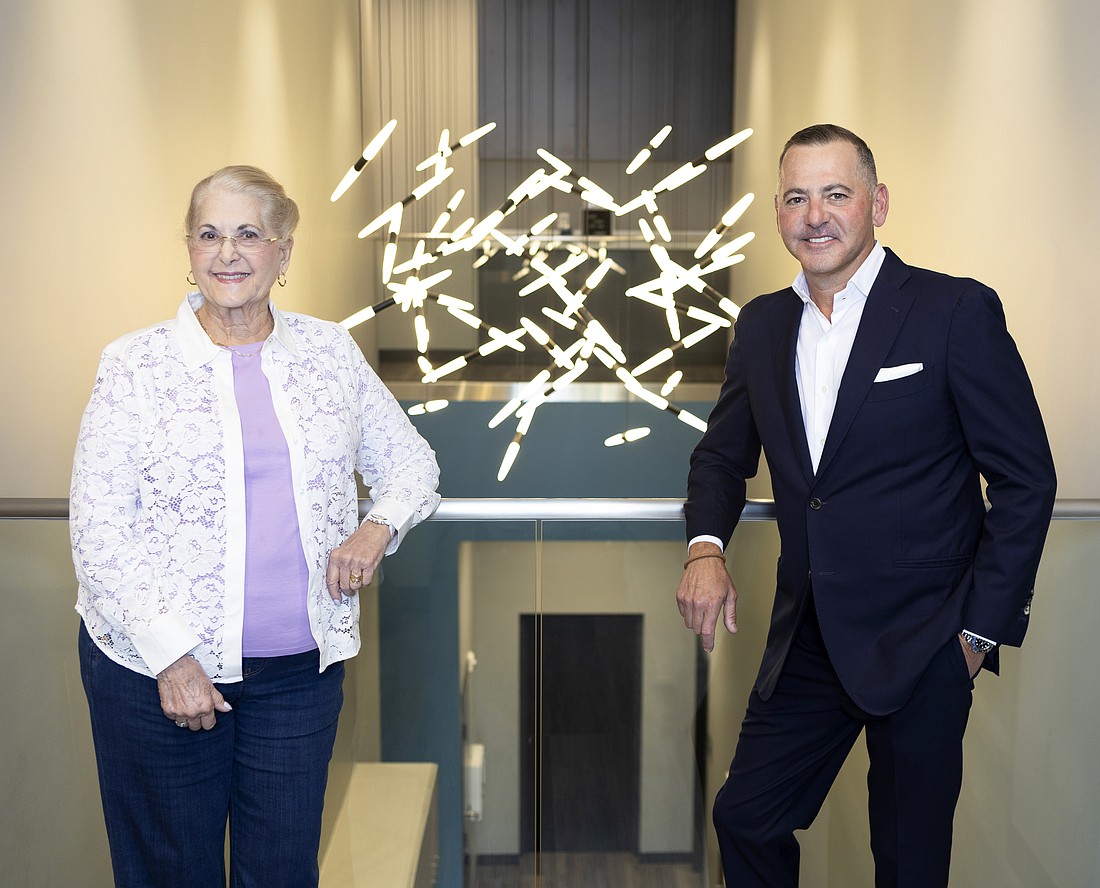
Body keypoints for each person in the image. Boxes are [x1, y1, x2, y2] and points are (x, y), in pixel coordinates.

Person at [676, 124, 1057, 886]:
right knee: (744, 818)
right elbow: (722, 455)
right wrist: (706, 548)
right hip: (810, 635)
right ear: (779, 214)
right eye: (796, 198)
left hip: (929, 639)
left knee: (909, 864)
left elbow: (1026, 479)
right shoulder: (761, 324)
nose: (815, 215)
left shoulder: (953, 312)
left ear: (877, 203)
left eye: (836, 194)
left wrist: (978, 633)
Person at [71, 165, 440, 887]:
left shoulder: (330, 353)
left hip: (297, 677)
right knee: (172, 873)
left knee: (282, 872)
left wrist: (376, 530)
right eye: (209, 234)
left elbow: (412, 464)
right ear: (188, 249)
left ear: (284, 253)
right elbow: (98, 531)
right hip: (157, 675)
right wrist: (171, 657)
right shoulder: (134, 366)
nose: (228, 253)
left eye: (249, 234)